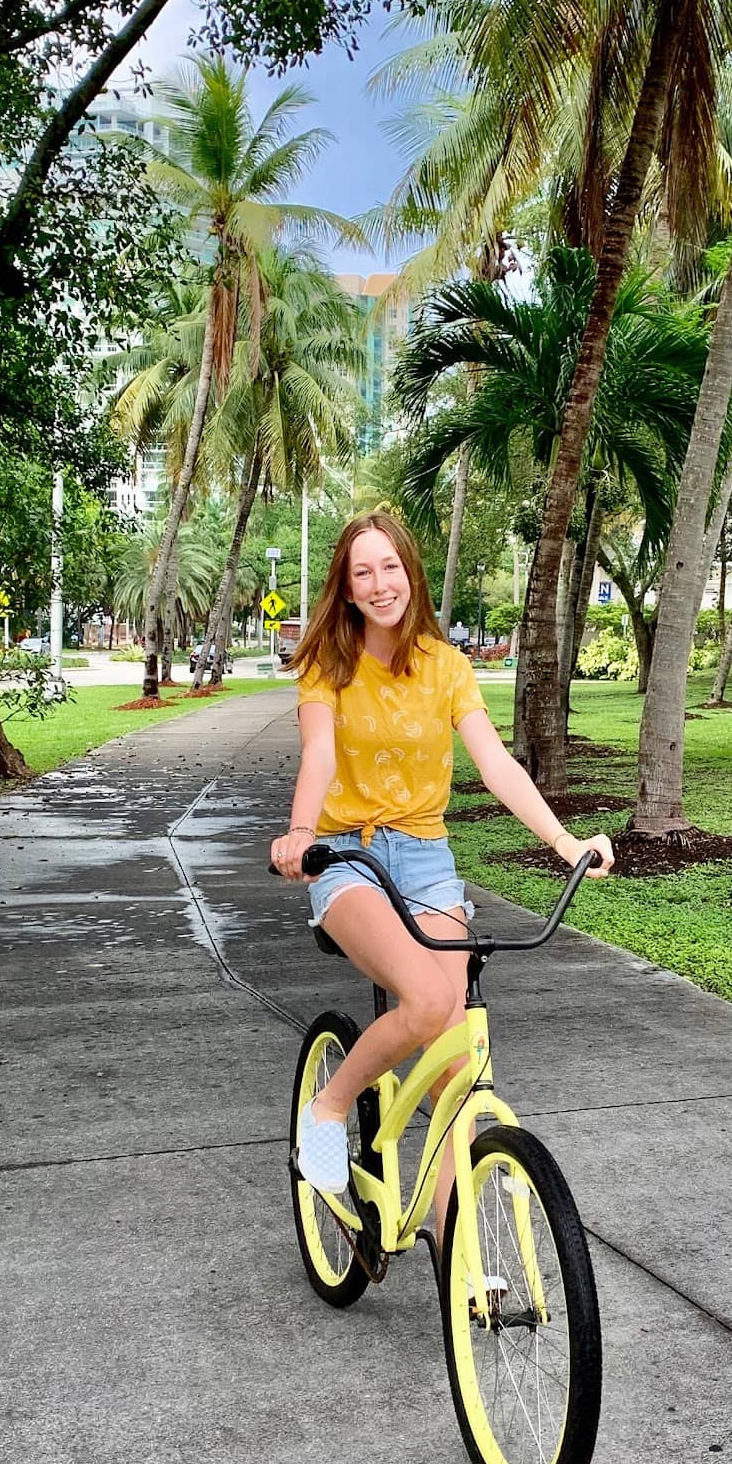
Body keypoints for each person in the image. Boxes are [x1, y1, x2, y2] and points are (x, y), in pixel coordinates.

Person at [270, 510, 613, 1245]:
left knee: (457, 1057)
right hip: (347, 856)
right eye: (363, 572)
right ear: (347, 588)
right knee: (426, 999)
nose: (379, 584)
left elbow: (495, 763)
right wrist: (301, 833)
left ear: (411, 572)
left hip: (427, 859)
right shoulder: (327, 664)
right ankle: (329, 1108)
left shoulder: (446, 666)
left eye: (389, 567)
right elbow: (319, 756)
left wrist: (563, 841)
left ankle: (456, 1248)